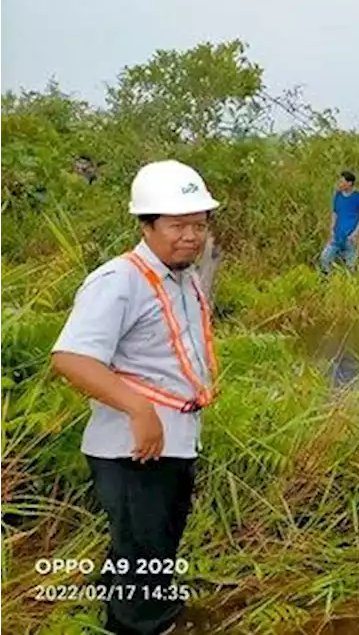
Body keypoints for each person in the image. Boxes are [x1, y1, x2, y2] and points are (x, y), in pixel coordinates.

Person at [50, 160, 221, 635]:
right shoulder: (119, 281)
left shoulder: (183, 277)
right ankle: (141, 626)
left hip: (176, 442)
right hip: (132, 449)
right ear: (146, 226)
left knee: (151, 552)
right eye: (177, 225)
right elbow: (71, 358)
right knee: (143, 557)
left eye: (199, 225)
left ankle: (131, 618)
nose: (190, 236)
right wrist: (139, 409)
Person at [319, 170, 359, 275]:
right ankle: (329, 280)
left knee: (350, 267)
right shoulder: (338, 196)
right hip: (337, 235)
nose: (339, 184)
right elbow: (335, 213)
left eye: (342, 181)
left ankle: (346, 286)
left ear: (349, 183)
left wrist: (355, 234)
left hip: (351, 237)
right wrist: (331, 230)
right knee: (324, 258)